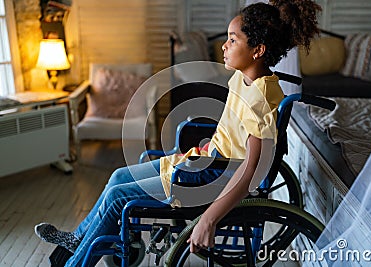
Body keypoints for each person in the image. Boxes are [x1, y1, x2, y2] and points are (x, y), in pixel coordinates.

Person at [34, 1, 321, 265]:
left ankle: (74, 262)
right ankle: (79, 239)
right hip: (204, 160)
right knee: (118, 176)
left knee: (119, 198)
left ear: (257, 50)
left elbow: (251, 171)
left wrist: (209, 219)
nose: (224, 45)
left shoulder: (260, 100)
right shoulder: (244, 77)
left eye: (233, 40)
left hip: (212, 177)